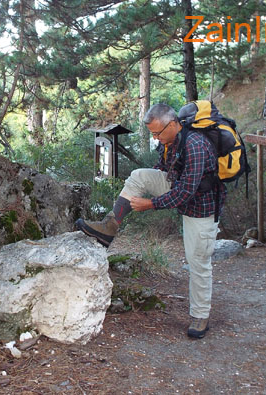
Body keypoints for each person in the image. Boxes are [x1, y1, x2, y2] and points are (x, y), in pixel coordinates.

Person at [75, 103, 225, 339]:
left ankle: (200, 315)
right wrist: (149, 185)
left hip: (201, 207)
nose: (156, 138)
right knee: (139, 176)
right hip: (179, 188)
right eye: (152, 134)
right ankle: (109, 226)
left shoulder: (195, 145)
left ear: (174, 124)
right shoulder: (170, 140)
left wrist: (150, 204)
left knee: (198, 263)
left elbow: (186, 191)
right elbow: (163, 168)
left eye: (158, 133)